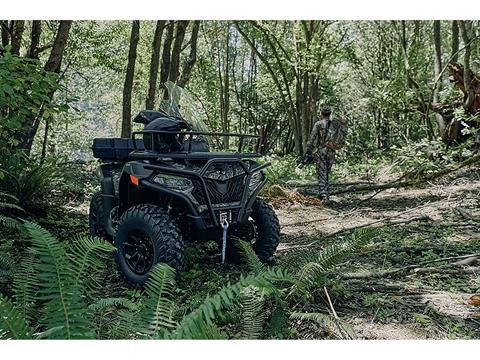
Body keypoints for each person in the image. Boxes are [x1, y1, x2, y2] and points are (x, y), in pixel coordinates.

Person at [304, 106, 341, 204]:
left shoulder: (318, 124)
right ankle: (325, 194)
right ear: (330, 114)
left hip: (322, 151)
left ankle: (324, 197)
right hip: (332, 152)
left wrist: (308, 150)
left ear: (321, 113)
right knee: (327, 174)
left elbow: (312, 137)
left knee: (321, 173)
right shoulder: (335, 125)